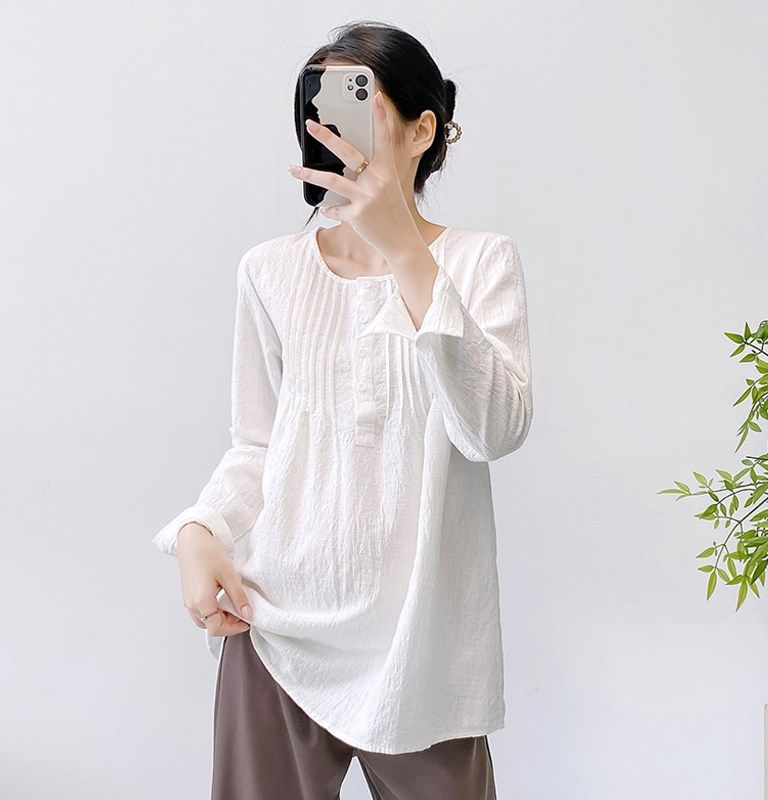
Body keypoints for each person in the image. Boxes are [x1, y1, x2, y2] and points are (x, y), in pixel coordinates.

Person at [152, 20, 533, 800]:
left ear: (424, 130)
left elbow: (492, 430)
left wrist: (407, 253)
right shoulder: (269, 271)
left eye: (360, 105)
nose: (334, 128)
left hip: (424, 644)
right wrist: (200, 529)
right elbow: (259, 446)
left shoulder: (479, 261)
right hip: (275, 629)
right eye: (321, 107)